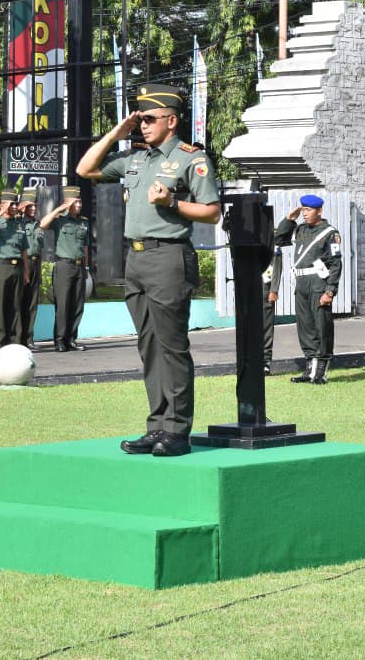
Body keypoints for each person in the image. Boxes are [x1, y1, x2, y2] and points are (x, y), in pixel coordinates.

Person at [76, 84, 220, 458]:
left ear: (172, 121)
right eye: (140, 119)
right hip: (136, 260)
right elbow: (84, 168)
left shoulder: (192, 159)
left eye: (150, 119)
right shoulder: (135, 159)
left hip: (168, 256)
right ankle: (157, 427)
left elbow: (211, 211)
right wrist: (116, 133)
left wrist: (173, 201)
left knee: (172, 347)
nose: (143, 125)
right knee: (148, 346)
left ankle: (177, 431)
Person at [276, 195, 343, 385]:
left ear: (319, 211)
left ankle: (321, 369)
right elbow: (279, 239)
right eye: (303, 210)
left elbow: (336, 263)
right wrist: (289, 219)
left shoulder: (330, 232)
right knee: (305, 325)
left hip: (318, 281)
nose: (305, 214)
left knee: (321, 325)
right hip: (302, 281)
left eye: (309, 210)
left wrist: (330, 290)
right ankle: (310, 367)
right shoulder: (300, 230)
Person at [40, 186, 93, 352]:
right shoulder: (60, 220)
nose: (79, 204)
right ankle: (60, 340)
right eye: (75, 201)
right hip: (64, 266)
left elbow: (85, 246)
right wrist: (61, 208)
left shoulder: (84, 222)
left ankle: (71, 339)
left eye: (79, 201)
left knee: (78, 305)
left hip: (79, 267)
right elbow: (42, 224)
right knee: (63, 305)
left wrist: (86, 266)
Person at [0, 189, 29, 350]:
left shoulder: (19, 224)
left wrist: (26, 273)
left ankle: (16, 343)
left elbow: (24, 250)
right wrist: (1, 212)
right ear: (2, 205)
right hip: (0, 267)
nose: (16, 206)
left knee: (16, 306)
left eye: (16, 203)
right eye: (12, 204)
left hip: (17, 267)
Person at [19, 189, 43, 349]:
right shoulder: (18, 223)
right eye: (30, 206)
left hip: (35, 264)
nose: (33, 208)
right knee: (19, 302)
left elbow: (39, 247)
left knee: (32, 304)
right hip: (22, 265)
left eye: (35, 205)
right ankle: (18, 336)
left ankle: (29, 337)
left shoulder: (37, 224)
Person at [261, 244, 283, 374]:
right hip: (249, 289)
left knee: (266, 327)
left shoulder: (272, 242)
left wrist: (273, 289)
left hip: (264, 288)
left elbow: (276, 266)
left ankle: (265, 362)